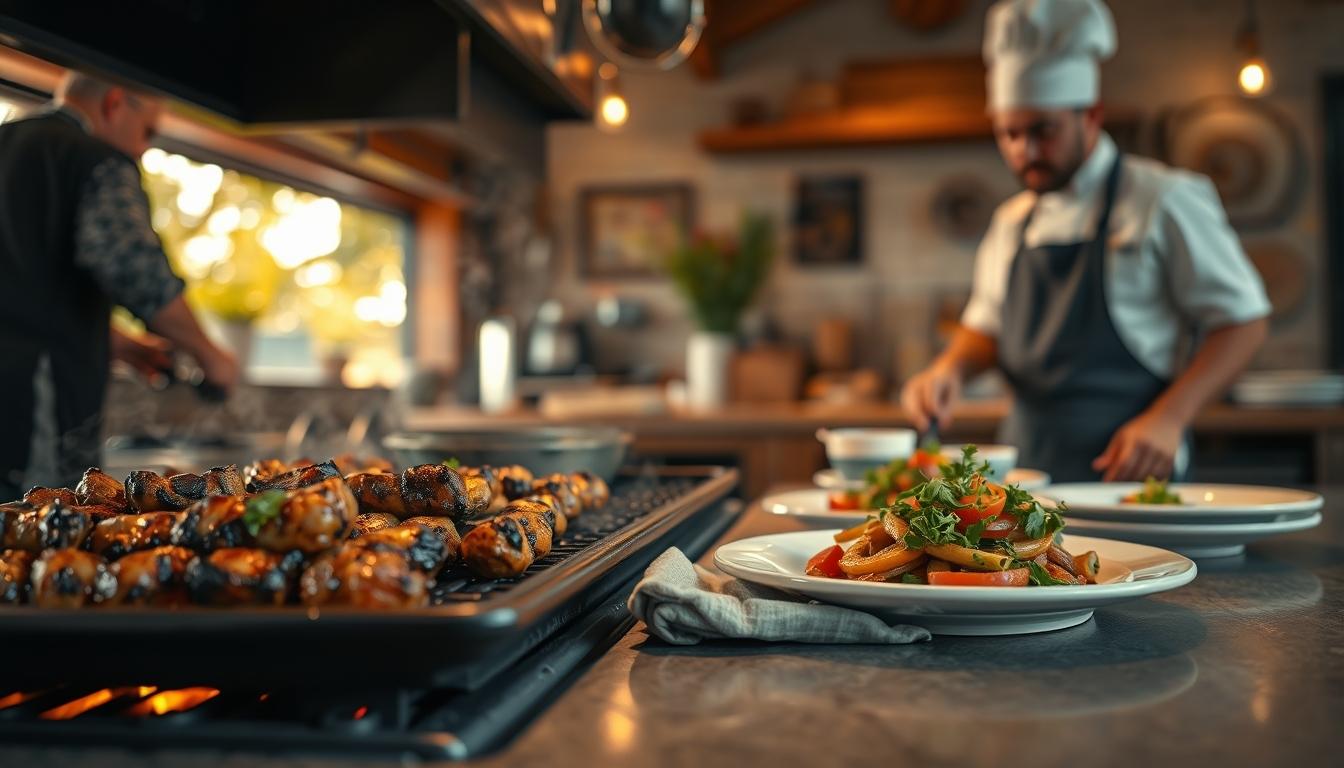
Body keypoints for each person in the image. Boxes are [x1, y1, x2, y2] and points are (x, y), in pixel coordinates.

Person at [900, 0, 1270, 483]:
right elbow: (986, 327)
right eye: (1009, 134)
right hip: (1024, 478)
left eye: (1043, 131)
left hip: (1129, 475)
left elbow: (1243, 322)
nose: (1025, 151)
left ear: (1092, 115)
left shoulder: (1163, 200)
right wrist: (949, 369)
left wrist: (1170, 418)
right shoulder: (1011, 222)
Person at [0, 71, 239, 498]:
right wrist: (210, 354)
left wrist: (120, 344)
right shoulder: (93, 158)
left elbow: (22, 288)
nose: (144, 149)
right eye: (149, 131)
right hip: (28, 401)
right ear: (114, 103)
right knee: (36, 520)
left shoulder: (8, 143)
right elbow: (134, 268)